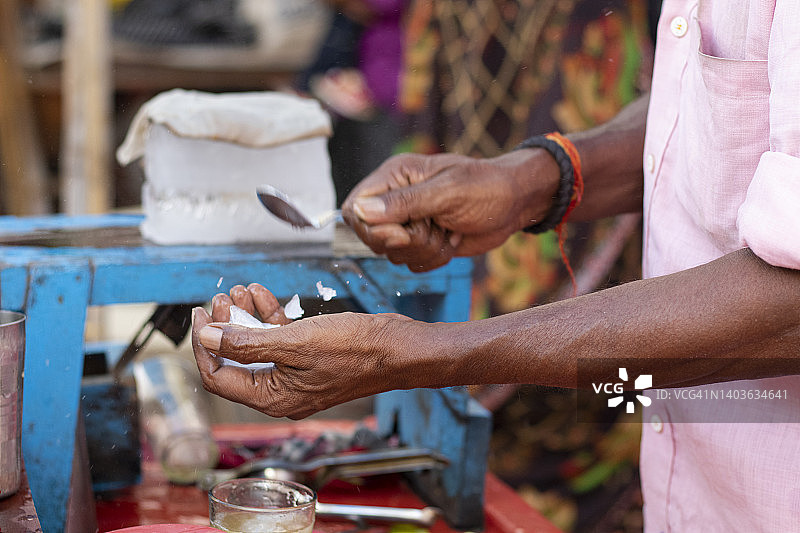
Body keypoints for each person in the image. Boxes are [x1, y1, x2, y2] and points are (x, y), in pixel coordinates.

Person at [192, 1, 800, 530]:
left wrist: (411, 355)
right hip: (698, 492)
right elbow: (691, 114)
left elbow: (790, 303)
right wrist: (531, 180)